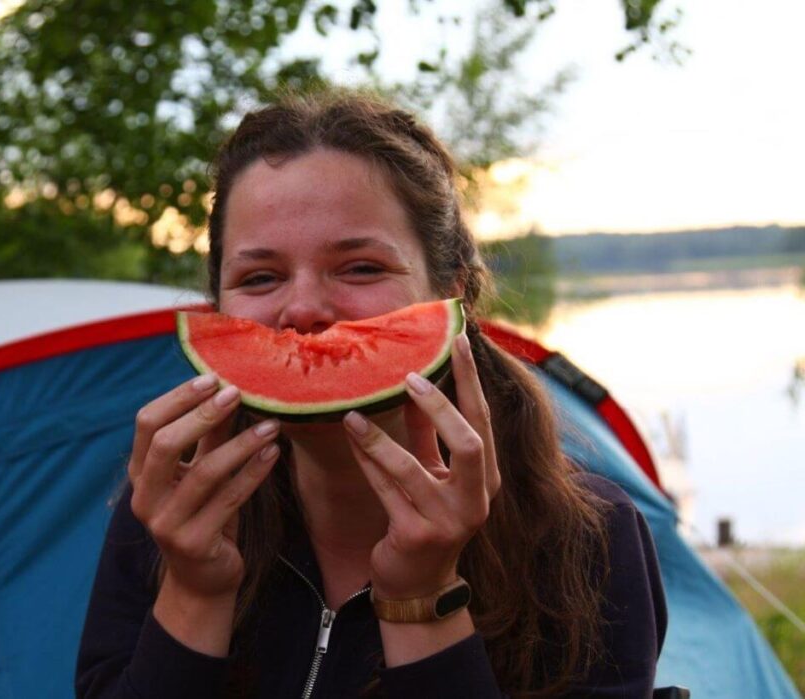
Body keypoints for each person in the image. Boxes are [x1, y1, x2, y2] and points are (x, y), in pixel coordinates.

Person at [75, 90, 666, 698]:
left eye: (360, 268)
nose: (302, 309)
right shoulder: (170, 514)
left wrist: (421, 597)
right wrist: (195, 589)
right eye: (259, 277)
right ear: (217, 308)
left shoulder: (588, 536)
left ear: (451, 295)